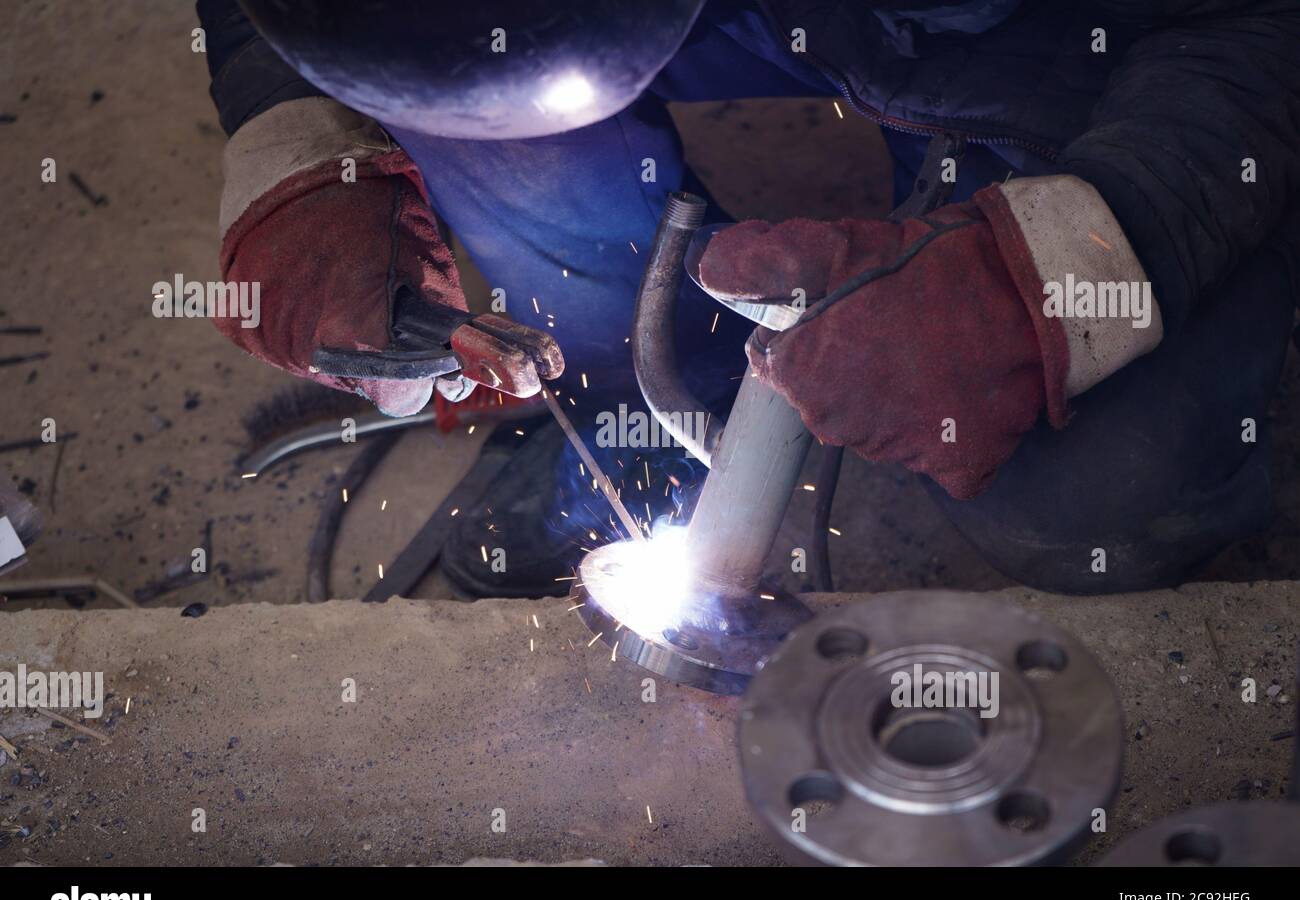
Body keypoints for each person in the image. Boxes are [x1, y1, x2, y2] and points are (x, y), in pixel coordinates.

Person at [196, 0, 1300, 597]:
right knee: (467, 88)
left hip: (1122, 45)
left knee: (1091, 496)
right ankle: (659, 406)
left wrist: (1063, 266)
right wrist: (296, 123)